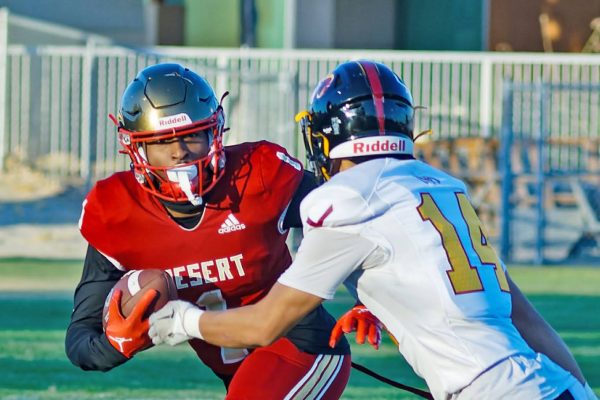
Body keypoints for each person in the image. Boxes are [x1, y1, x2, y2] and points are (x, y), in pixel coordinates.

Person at [148, 60, 597, 400]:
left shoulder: (347, 198)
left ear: (326, 137)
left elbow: (264, 326)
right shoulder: (441, 187)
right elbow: (521, 316)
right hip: (552, 383)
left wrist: (184, 321)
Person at [64, 62, 353, 399]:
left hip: (303, 348)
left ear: (214, 133)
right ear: (136, 149)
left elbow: (353, 222)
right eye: (162, 141)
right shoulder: (116, 211)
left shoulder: (257, 175)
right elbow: (80, 338)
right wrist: (119, 342)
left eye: (191, 136)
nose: (179, 151)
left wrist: (373, 297)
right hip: (240, 374)